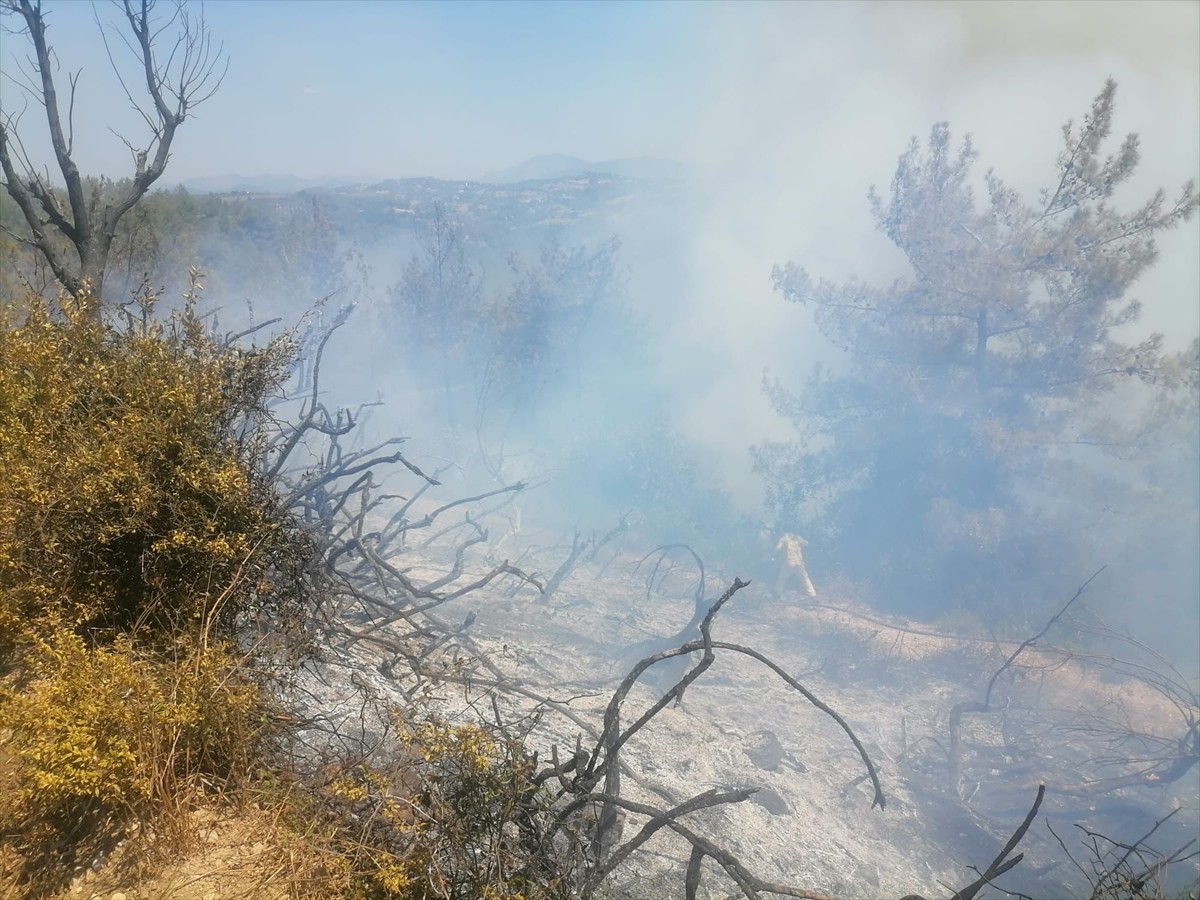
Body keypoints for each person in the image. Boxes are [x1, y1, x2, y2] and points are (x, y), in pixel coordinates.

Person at [774, 532, 817, 599]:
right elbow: (806, 543)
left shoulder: (784, 538)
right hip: (799, 562)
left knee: (782, 578)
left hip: (789, 563)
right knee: (805, 578)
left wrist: (773, 553)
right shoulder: (797, 538)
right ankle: (812, 594)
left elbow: (778, 548)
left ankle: (777, 593)